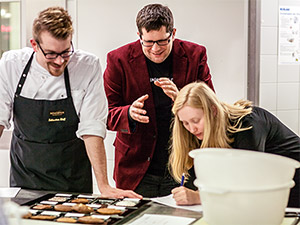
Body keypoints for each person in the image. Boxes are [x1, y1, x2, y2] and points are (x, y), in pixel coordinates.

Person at [0, 6, 141, 198]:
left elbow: (92, 128)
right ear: (34, 44)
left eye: (65, 52)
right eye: (51, 54)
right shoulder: (11, 64)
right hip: (25, 176)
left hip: (72, 177)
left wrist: (104, 186)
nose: (59, 61)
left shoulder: (87, 66)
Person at [103, 3, 214, 197]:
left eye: (162, 41)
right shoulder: (118, 60)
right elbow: (106, 114)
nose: (155, 49)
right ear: (138, 35)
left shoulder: (195, 55)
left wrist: (183, 99)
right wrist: (128, 113)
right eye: (148, 42)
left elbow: (212, 108)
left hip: (184, 162)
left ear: (173, 33)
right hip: (136, 167)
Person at [169, 82, 300, 207]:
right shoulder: (199, 132)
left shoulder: (247, 124)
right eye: (185, 123)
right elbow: (196, 183)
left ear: (213, 111)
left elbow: (248, 184)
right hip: (273, 193)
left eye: (196, 121)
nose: (192, 129)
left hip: (293, 189)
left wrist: (199, 197)